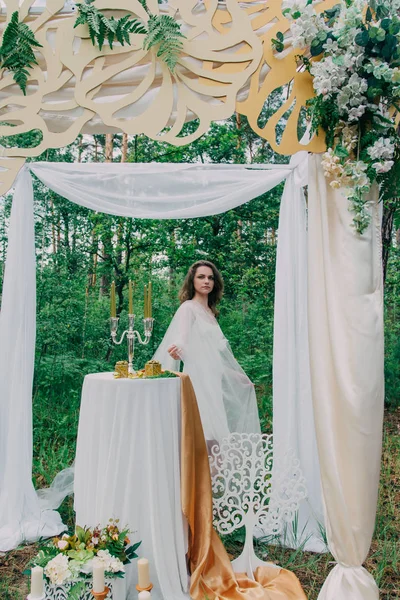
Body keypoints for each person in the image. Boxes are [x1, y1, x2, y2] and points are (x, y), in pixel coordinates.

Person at [153, 260, 261, 443]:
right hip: (197, 380)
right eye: (201, 277)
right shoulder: (188, 308)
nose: (206, 281)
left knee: (217, 436)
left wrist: (236, 375)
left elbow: (214, 357)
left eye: (210, 278)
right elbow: (182, 338)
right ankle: (199, 472)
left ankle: (213, 473)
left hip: (212, 380)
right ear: (192, 281)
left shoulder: (210, 312)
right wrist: (178, 348)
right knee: (205, 433)